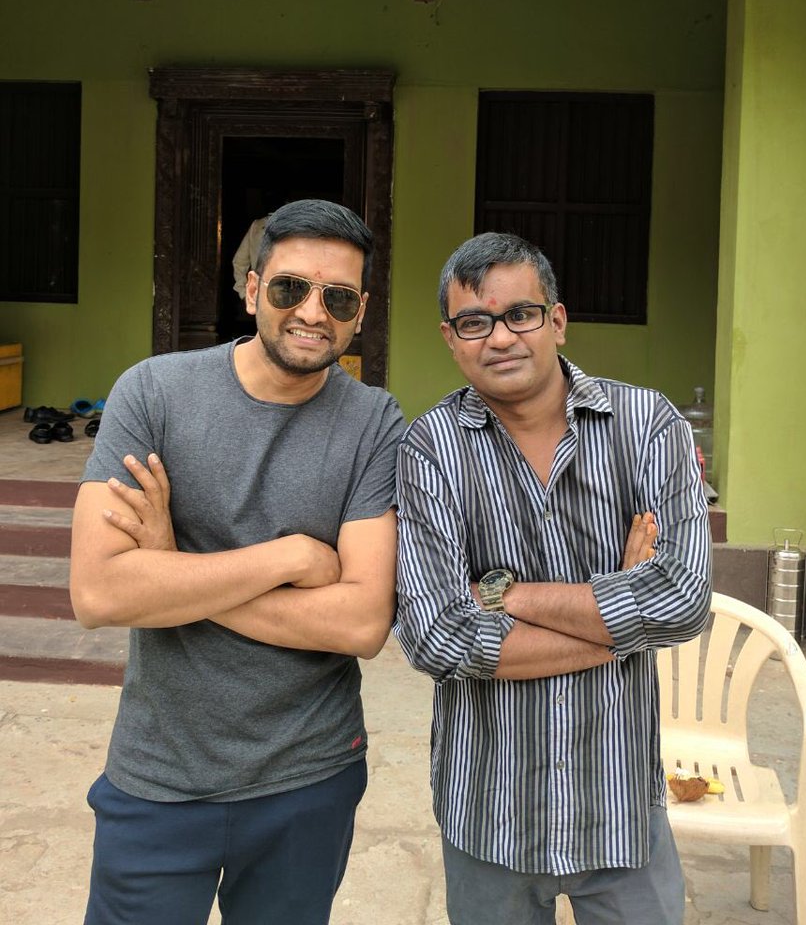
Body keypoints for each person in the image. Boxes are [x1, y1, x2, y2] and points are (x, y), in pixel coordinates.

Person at [70, 199, 405, 925]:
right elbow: (99, 592)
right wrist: (289, 556)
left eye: (338, 298)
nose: (312, 312)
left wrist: (169, 568)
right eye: (290, 287)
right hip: (159, 773)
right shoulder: (153, 392)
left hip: (308, 776)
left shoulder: (373, 423)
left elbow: (360, 623)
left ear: (360, 312)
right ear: (252, 290)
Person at [393, 233, 712, 925]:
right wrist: (621, 614)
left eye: (521, 314)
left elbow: (684, 601)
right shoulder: (431, 448)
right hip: (489, 813)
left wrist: (501, 593)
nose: (500, 337)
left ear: (557, 320)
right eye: (474, 322)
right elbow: (435, 638)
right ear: (451, 339)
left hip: (619, 808)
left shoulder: (647, 425)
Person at [232, 213, 270, 298]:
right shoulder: (257, 225)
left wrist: (243, 292)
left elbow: (239, 262)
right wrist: (243, 292)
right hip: (261, 292)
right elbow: (239, 261)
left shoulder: (258, 225)